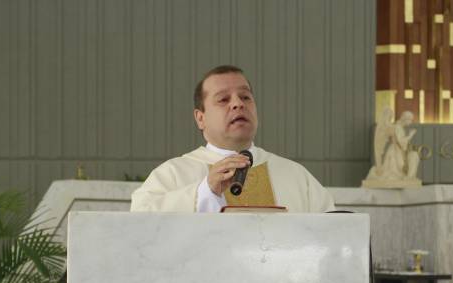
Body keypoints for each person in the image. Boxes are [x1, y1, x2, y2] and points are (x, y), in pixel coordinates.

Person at [130, 65, 335, 213]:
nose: (238, 104)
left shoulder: (296, 176)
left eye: (245, 97)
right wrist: (205, 191)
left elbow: (332, 232)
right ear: (200, 118)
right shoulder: (173, 174)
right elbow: (140, 222)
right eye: (223, 99)